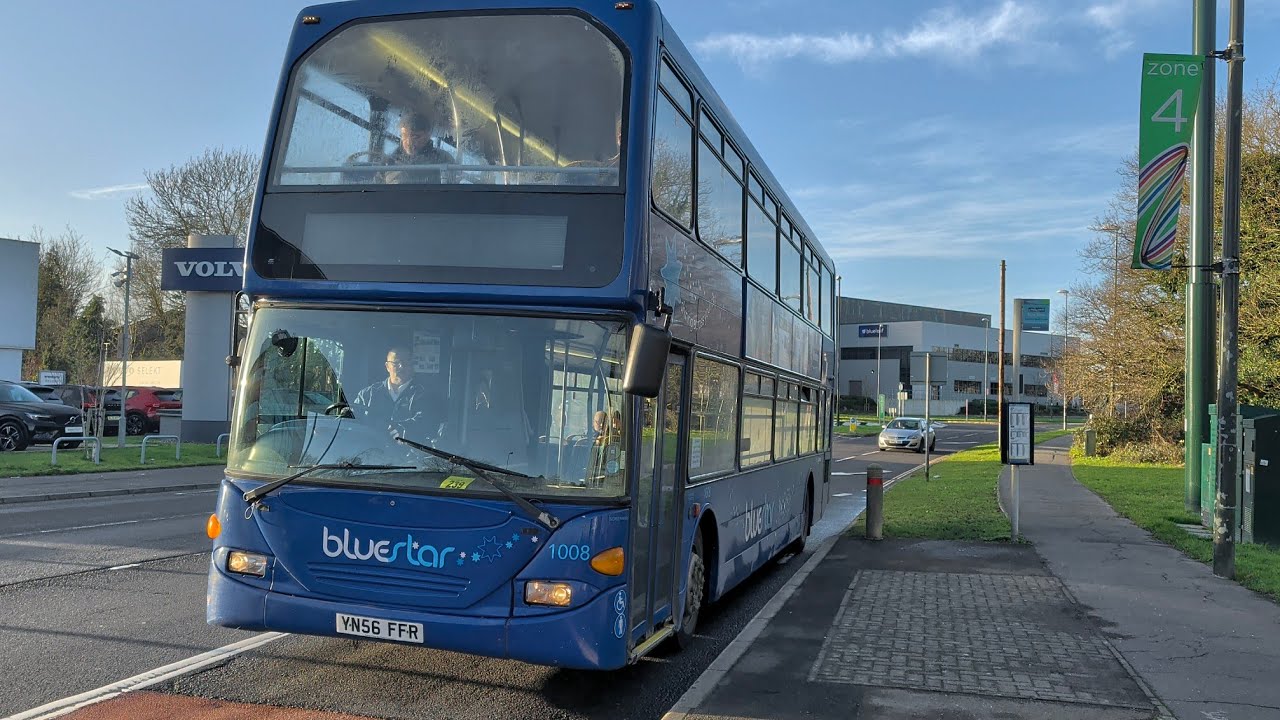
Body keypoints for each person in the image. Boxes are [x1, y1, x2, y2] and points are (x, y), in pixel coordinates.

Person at [351, 345, 435, 441]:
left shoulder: (424, 395)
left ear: (412, 366)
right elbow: (353, 421)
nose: (401, 367)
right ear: (387, 366)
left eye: (406, 362)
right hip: (368, 452)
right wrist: (347, 414)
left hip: (408, 453)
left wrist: (404, 429)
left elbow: (425, 421)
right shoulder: (367, 394)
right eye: (396, 363)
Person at [381, 110, 454, 184]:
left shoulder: (443, 159)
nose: (409, 142)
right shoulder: (389, 162)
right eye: (404, 135)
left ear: (427, 136)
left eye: (415, 136)